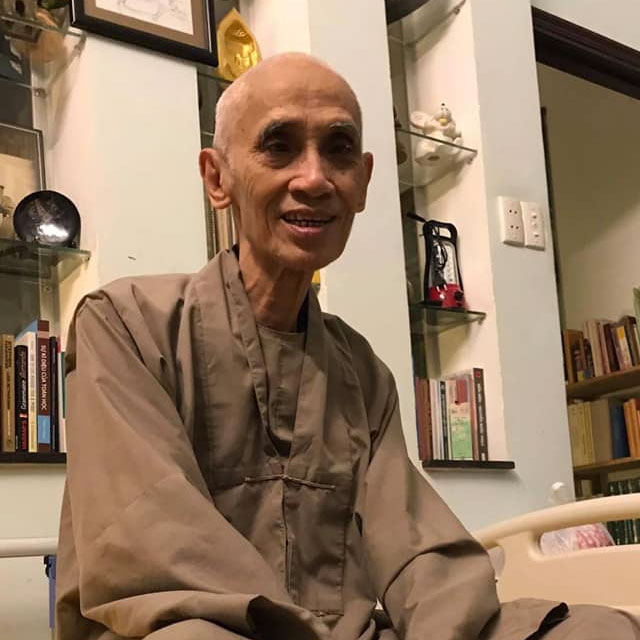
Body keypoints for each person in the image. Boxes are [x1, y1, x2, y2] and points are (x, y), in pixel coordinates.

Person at [55, 53, 640, 640]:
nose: (315, 179)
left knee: (596, 630)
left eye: (338, 150)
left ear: (362, 181)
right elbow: (151, 537)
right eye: (279, 146)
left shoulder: (362, 372)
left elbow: (416, 547)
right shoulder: (126, 324)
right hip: (194, 627)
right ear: (217, 178)